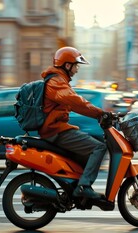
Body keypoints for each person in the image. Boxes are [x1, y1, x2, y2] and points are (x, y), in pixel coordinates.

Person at [39, 46, 108, 199]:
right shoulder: (56, 82)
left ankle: (76, 183)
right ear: (67, 65)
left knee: (95, 142)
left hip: (58, 128)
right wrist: (100, 113)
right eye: (76, 65)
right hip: (55, 130)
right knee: (99, 147)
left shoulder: (59, 80)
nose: (77, 69)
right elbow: (76, 102)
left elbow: (73, 102)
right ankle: (83, 187)